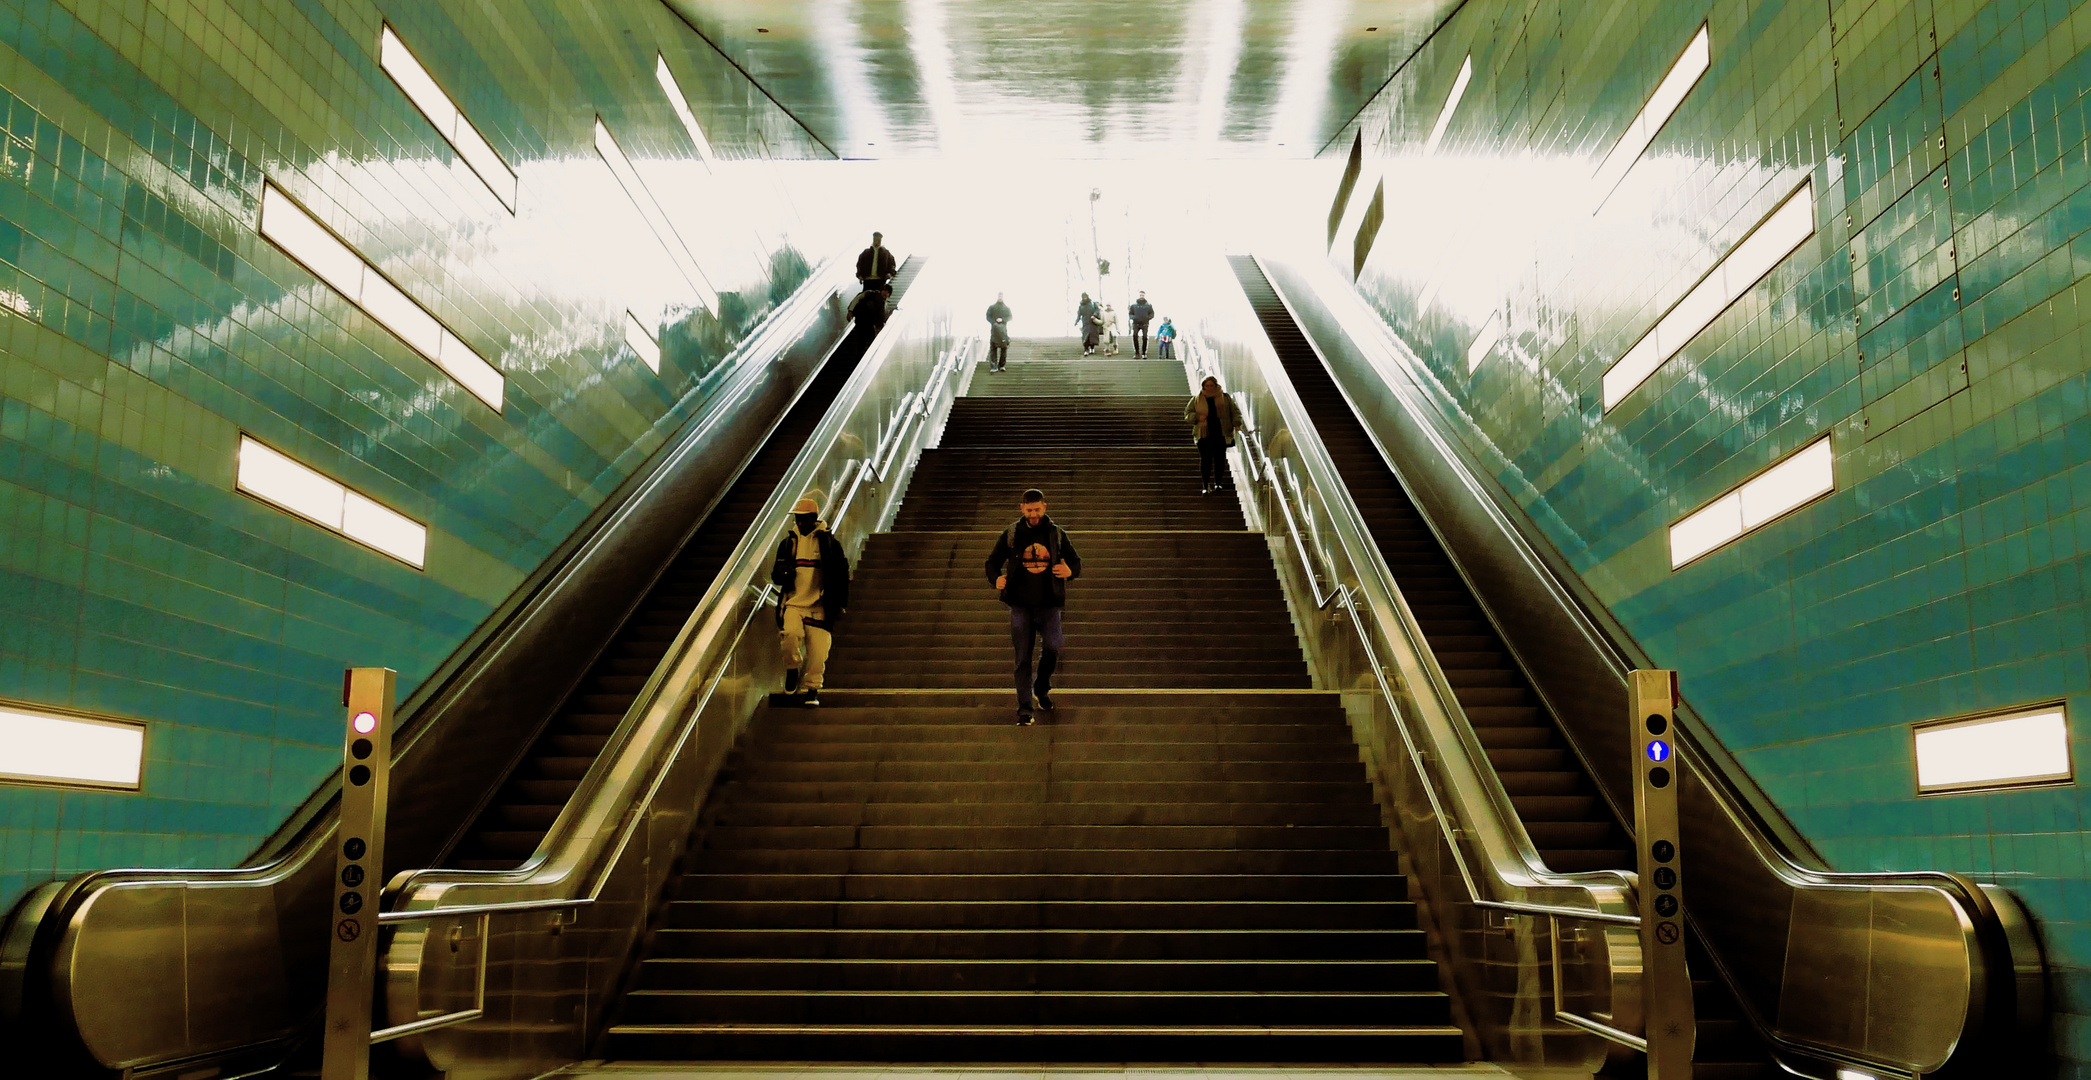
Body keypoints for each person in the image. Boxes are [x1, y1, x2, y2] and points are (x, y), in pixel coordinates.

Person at [985, 489, 1082, 725]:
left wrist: (1070, 572)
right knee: (1022, 658)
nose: (1033, 514)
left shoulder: (1056, 534)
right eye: (1029, 510)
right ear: (1022, 509)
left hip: (1049, 604)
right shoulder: (1012, 533)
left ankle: (1041, 686)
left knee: (1053, 647)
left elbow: (1076, 561)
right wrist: (996, 578)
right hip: (1020, 605)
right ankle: (1025, 708)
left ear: (1044, 507)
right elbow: (992, 562)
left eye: (1037, 509)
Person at [772, 495, 850, 707]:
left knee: (818, 653)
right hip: (794, 603)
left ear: (814, 518)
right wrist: (782, 573)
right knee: (790, 635)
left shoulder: (830, 544)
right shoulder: (788, 544)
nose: (800, 523)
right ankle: (792, 668)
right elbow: (776, 578)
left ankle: (812, 689)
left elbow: (842, 574)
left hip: (820, 606)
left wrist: (840, 602)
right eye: (797, 519)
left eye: (804, 518)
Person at [1185, 376, 1243, 495]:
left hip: (1220, 433)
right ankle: (1205, 485)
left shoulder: (1225, 398)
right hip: (1203, 434)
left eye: (1212, 385)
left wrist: (1237, 423)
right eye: (1207, 386)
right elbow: (1187, 413)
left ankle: (1218, 483)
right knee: (1205, 460)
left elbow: (1235, 411)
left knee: (1219, 460)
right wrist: (1197, 417)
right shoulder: (1197, 399)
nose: (1209, 388)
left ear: (1216, 386)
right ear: (1203, 387)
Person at [857, 232, 897, 297]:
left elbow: (892, 265)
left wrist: (890, 273)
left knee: (878, 299)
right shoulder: (866, 252)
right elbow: (859, 264)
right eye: (876, 239)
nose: (877, 242)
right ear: (873, 239)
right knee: (866, 298)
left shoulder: (886, 253)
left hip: (880, 280)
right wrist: (860, 275)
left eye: (879, 240)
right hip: (867, 279)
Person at [986, 293, 1012, 371]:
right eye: (999, 296)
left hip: (1003, 330)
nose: (1000, 298)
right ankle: (993, 366)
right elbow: (988, 316)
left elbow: (1010, 317)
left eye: (1001, 296)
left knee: (1004, 347)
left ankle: (1002, 365)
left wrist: (1002, 320)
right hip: (994, 330)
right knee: (993, 347)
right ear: (997, 297)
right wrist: (994, 322)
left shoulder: (1006, 308)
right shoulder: (992, 307)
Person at [1129, 291, 1154, 358]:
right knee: (1135, 336)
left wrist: (1147, 318)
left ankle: (1144, 352)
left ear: (1144, 295)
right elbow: (1130, 313)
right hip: (1136, 324)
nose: (1141, 296)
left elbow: (1152, 314)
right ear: (1139, 295)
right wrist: (1133, 318)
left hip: (1145, 324)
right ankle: (1137, 352)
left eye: (1142, 295)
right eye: (1140, 295)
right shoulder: (1134, 305)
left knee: (1145, 337)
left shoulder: (1148, 305)